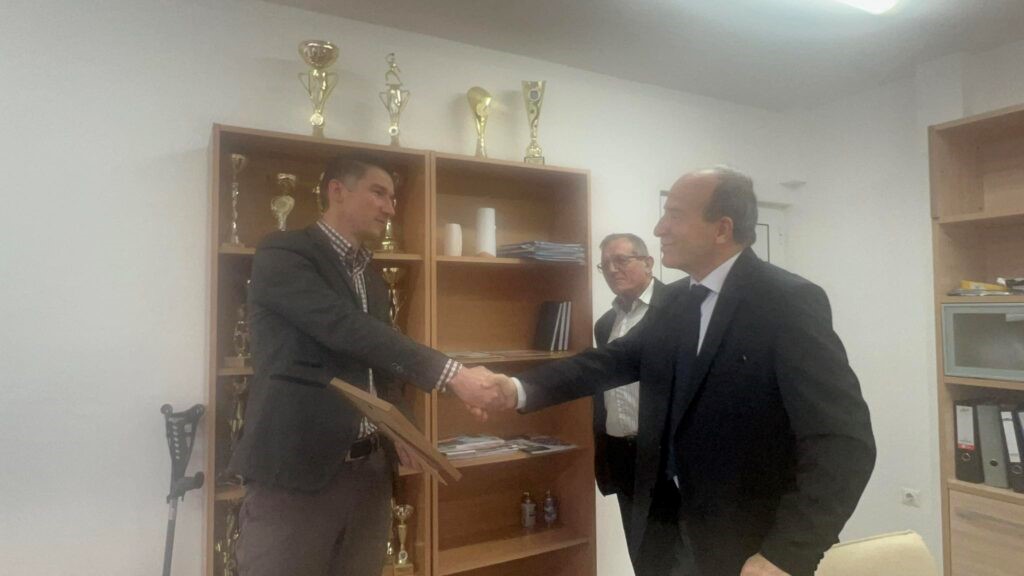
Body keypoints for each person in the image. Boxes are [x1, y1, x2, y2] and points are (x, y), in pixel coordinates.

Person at [495, 167, 876, 576]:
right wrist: (517, 387)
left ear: (721, 229)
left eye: (674, 214)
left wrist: (787, 553)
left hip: (749, 543)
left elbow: (844, 442)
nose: (660, 228)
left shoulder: (786, 301)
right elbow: (612, 360)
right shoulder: (677, 301)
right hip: (669, 527)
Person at [228, 154, 502, 576]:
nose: (390, 208)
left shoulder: (370, 276)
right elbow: (343, 328)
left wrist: (404, 430)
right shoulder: (283, 252)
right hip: (298, 471)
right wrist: (453, 375)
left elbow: (380, 363)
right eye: (378, 193)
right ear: (337, 191)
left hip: (370, 473)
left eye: (392, 198)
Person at [592, 233, 666, 568]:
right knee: (643, 554)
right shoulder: (606, 324)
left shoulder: (676, 310)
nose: (612, 269)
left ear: (648, 263)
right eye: (605, 264)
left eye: (621, 260)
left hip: (664, 456)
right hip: (621, 454)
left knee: (681, 556)